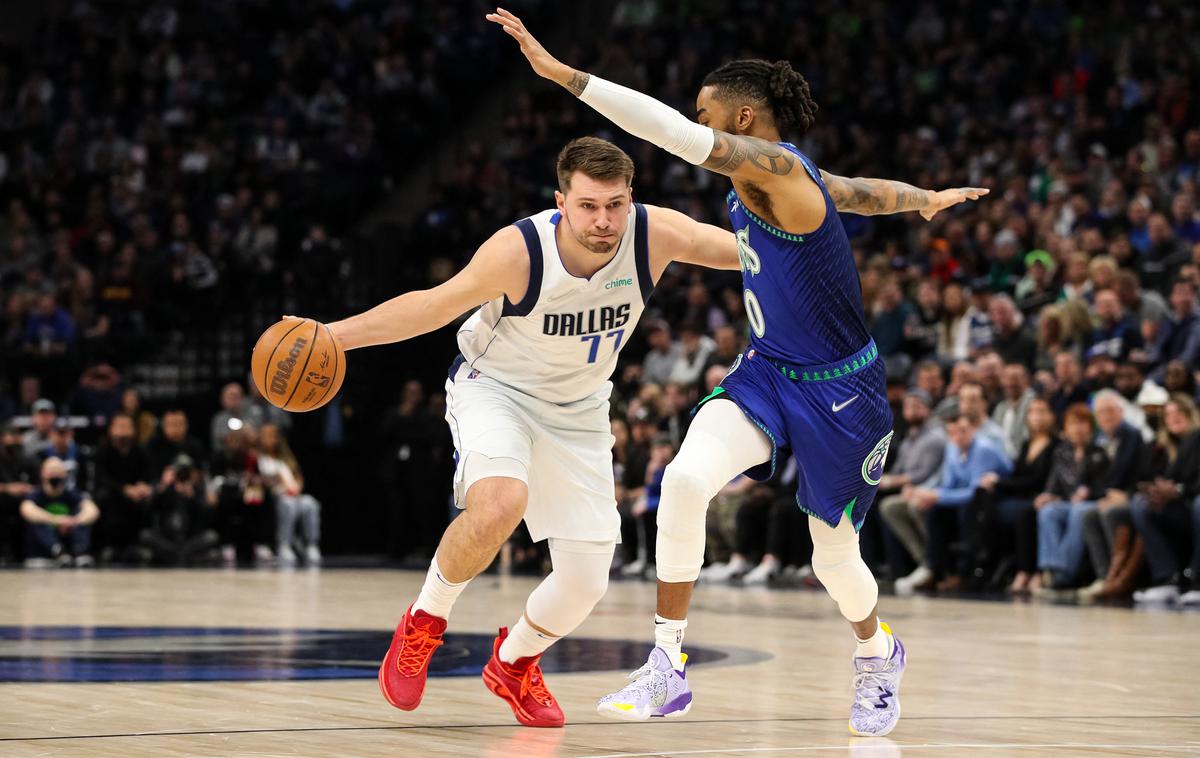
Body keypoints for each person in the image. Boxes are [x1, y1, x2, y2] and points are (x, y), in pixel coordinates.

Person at [488, 8, 988, 735]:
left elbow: (668, 131)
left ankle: (878, 654)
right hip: (767, 370)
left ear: (743, 115)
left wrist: (564, 75)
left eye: (709, 113)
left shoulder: (776, 167)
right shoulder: (789, 173)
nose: (700, 123)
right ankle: (667, 667)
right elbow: (856, 191)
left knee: (832, 557)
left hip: (842, 393)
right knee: (685, 481)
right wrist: (921, 199)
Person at [971, 398, 1057, 593]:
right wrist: (995, 481)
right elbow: (1017, 474)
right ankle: (985, 557)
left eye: (1042, 411)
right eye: (1033, 412)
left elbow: (1038, 480)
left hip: (1037, 496)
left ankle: (1026, 571)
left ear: (1052, 416)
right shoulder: (1028, 443)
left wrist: (1000, 483)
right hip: (1020, 494)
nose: (1037, 417)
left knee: (1023, 513)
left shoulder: (1055, 445)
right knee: (983, 493)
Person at [1033, 404, 1110, 592]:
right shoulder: (1061, 452)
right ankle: (1050, 568)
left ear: (1091, 427)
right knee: (1048, 511)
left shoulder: (1099, 452)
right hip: (1067, 502)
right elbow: (1054, 484)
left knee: (1079, 511)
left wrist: (1089, 493)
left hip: (1093, 502)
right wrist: (1047, 496)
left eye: (1082, 423)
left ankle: (1064, 572)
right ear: (1065, 429)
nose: (1078, 428)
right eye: (1073, 424)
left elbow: (1105, 487)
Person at [258, 423, 321, 567]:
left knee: (310, 503)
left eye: (274, 436)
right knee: (288, 504)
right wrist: (277, 480)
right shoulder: (258, 457)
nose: (271, 439)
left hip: (293, 494)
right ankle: (284, 545)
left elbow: (298, 477)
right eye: (267, 436)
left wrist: (297, 486)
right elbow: (261, 479)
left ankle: (312, 545)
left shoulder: (285, 457)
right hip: (275, 497)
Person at [20, 457, 100, 567]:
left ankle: (79, 551)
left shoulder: (71, 493)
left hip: (68, 538)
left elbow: (93, 510)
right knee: (36, 518)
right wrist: (57, 520)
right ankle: (57, 550)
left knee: (81, 513)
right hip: (44, 546)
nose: (54, 475)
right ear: (42, 473)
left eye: (58, 471)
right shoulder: (36, 494)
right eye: (51, 471)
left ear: (64, 475)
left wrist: (74, 521)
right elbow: (26, 509)